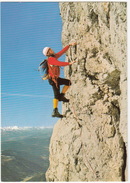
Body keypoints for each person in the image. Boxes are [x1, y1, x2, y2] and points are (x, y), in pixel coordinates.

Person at [42, 42, 77, 118]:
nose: (52, 50)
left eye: (50, 49)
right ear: (48, 53)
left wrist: (69, 45)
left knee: (68, 82)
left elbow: (61, 52)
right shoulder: (51, 59)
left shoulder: (53, 57)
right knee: (56, 95)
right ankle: (55, 111)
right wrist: (69, 63)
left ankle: (61, 96)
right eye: (50, 50)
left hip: (56, 79)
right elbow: (59, 63)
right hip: (53, 80)